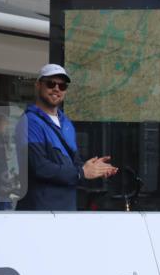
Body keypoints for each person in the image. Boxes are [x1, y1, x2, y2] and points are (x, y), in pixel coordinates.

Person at [15, 64, 117, 211]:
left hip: (67, 209)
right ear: (38, 85)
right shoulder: (30, 121)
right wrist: (81, 172)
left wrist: (93, 169)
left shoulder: (66, 123)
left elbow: (74, 164)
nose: (57, 88)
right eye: (51, 83)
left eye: (62, 86)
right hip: (39, 212)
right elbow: (39, 167)